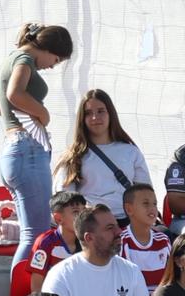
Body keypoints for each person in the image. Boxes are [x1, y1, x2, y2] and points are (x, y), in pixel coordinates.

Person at [0, 22, 74, 265]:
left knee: (30, 232)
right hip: (27, 150)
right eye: (56, 59)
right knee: (36, 234)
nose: (53, 66)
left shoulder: (9, 60)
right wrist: (42, 115)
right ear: (48, 48)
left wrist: (16, 118)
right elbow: (14, 94)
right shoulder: (25, 60)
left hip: (13, 150)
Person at [55, 89, 152, 218]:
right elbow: (65, 198)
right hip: (92, 224)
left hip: (129, 221)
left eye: (101, 111)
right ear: (82, 119)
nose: (95, 117)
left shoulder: (131, 151)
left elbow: (146, 193)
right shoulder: (72, 156)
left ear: (110, 114)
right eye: (88, 113)